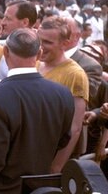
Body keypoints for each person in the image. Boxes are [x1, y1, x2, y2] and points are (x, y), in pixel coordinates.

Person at [0, 28, 74, 193]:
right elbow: (64, 140)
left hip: (3, 188)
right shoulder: (62, 94)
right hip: (42, 187)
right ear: (39, 54)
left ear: (5, 51)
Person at [37, 16, 89, 173]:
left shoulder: (75, 74)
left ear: (64, 44)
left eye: (48, 42)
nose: (41, 47)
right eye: (39, 41)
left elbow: (75, 127)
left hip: (52, 153)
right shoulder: (36, 63)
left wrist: (57, 165)